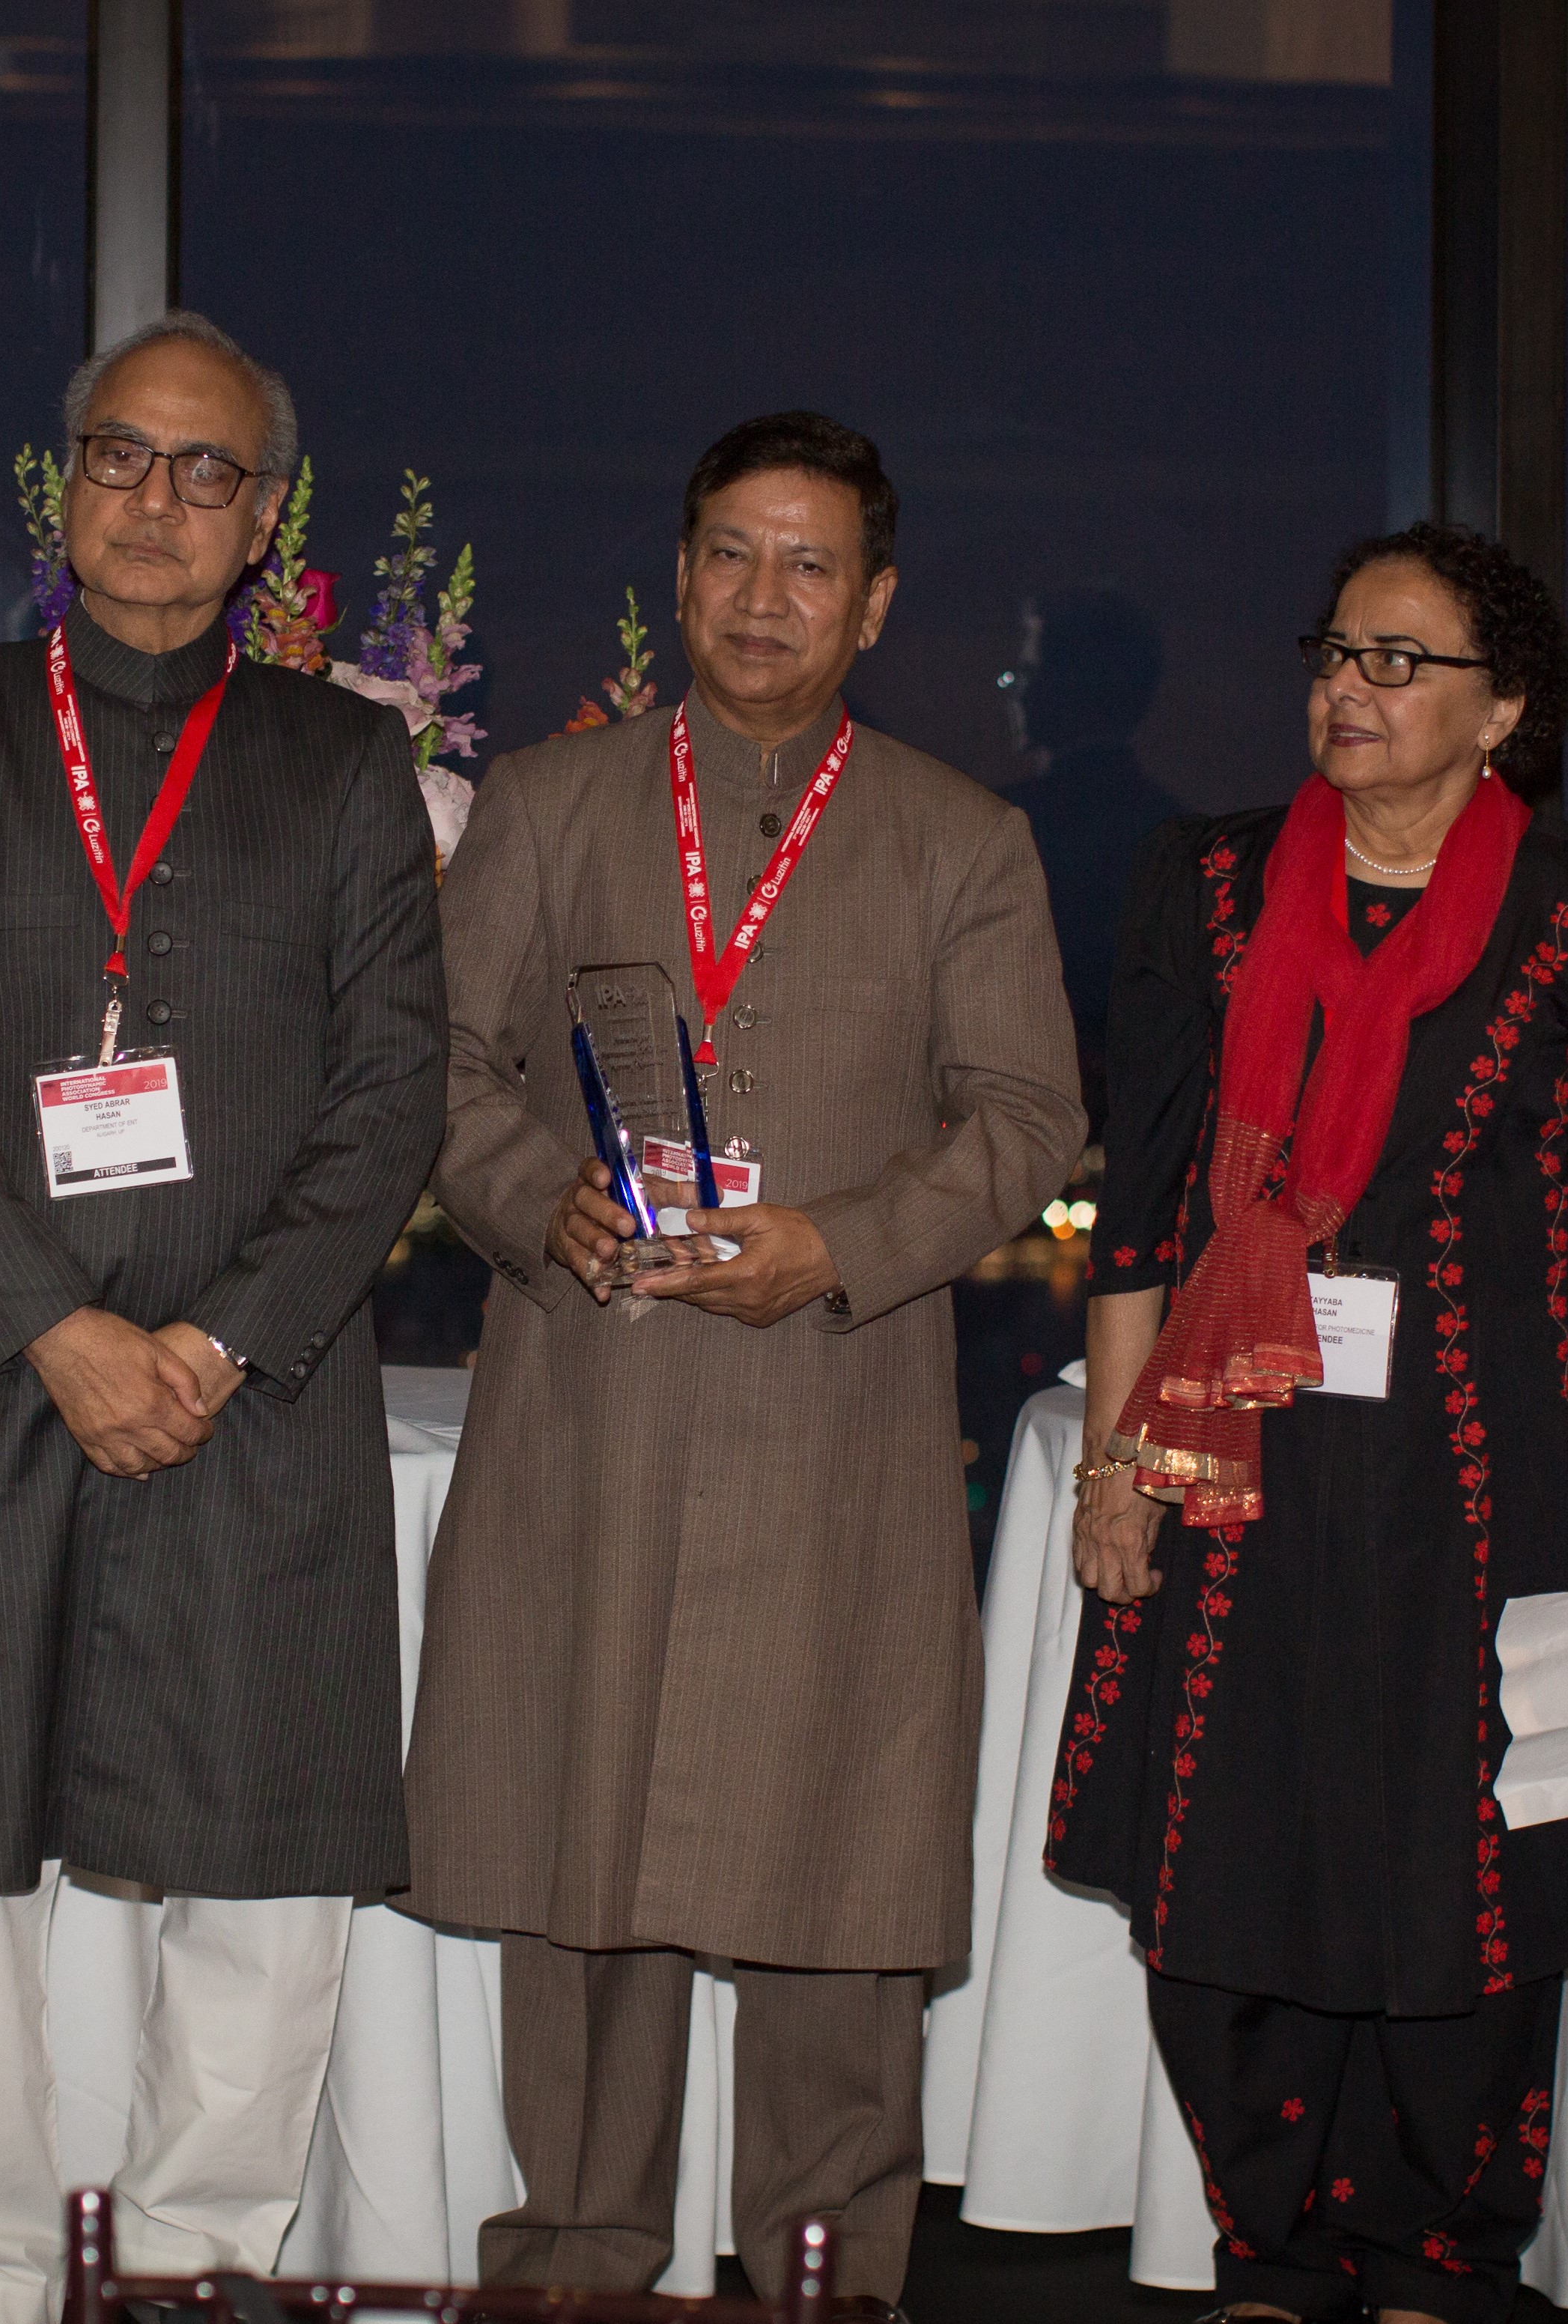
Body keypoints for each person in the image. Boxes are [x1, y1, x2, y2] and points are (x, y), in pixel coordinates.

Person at [0, 312, 444, 2324]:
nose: (157, 501)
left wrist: (220, 1338)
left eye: (206, 470)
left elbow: (392, 1087)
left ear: (264, 519)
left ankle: (191, 2277)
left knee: (257, 1866)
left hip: (255, 1385)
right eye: (120, 457)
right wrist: (54, 1324)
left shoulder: (343, 760)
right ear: (60, 483)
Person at [405, 410, 1083, 2311]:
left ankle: (819, 2287)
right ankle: (571, 2273)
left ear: (874, 601)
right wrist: (544, 1202)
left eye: (807, 564)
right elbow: (439, 1074)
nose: (760, 596)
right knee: (585, 1884)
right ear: (679, 573)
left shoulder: (965, 838)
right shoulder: (552, 805)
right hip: (594, 1405)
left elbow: (1029, 1117)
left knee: (840, 1907)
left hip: (835, 1427)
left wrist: (842, 1246)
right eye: (728, 553)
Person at [1053, 521, 1568, 2323]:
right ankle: (1269, 2235)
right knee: (1223, 1841)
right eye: (1338, 649)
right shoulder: (1208, 881)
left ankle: (1433, 2247)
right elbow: (1148, 1196)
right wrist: (1116, 1459)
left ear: (1502, 713)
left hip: (1487, 1470)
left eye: (1402, 660)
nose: (1352, 685)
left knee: (1468, 1872)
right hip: (1232, 1450)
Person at [996, 582, 1182, 1125]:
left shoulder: (1000, 827)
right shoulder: (1177, 831)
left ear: (1070, 687)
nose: (1012, 690)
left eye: (1026, 673)